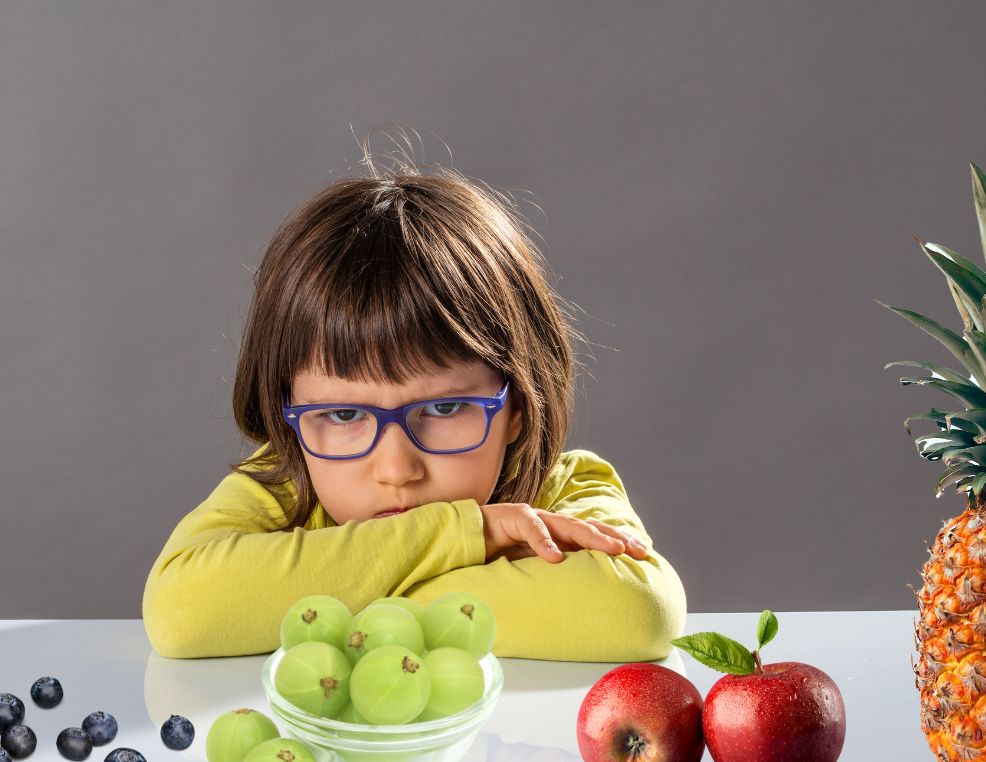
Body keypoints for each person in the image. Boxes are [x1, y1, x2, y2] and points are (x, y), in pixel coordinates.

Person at [141, 139, 687, 660]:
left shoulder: (566, 490)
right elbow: (180, 612)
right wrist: (472, 533)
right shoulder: (283, 482)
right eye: (345, 414)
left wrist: (351, 600)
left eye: (444, 409)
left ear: (517, 404)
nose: (397, 468)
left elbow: (638, 611)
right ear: (288, 414)